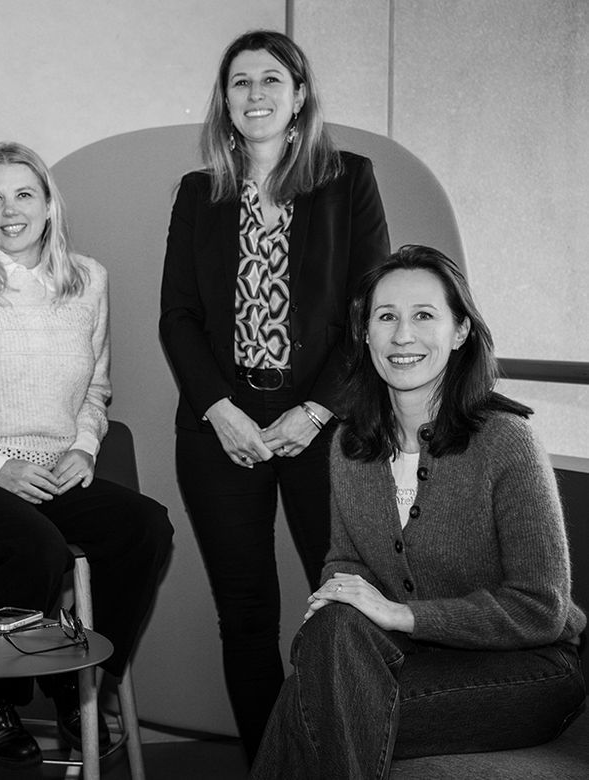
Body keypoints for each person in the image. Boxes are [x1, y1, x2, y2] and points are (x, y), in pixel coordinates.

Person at [250, 245, 587, 778]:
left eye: (424, 315)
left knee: (307, 706)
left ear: (460, 332)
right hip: (412, 660)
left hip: (526, 672)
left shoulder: (506, 442)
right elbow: (348, 562)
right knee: (333, 632)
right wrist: (338, 597)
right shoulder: (350, 444)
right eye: (386, 317)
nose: (402, 335)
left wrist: (403, 615)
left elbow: (542, 607)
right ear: (365, 335)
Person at [0, 141, 173, 769]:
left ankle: (81, 679)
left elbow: (95, 390)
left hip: (51, 473)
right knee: (37, 547)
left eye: (24, 194)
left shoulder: (88, 280)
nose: (10, 210)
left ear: (50, 205)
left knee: (146, 527)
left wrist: (83, 447)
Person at [159, 29, 390, 759]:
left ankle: (343, 759)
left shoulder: (348, 180)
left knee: (345, 605)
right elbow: (178, 316)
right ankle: (269, 763)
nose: (254, 94)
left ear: (299, 96)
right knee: (246, 613)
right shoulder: (199, 192)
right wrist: (218, 410)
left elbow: (371, 309)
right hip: (220, 425)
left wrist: (317, 410)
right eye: (240, 82)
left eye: (270, 80)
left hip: (326, 420)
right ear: (225, 101)